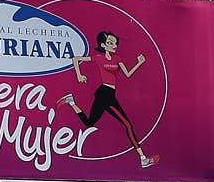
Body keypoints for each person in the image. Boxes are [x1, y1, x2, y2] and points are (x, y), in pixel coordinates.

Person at [60, 31, 160, 170]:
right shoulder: (99, 58)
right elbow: (75, 59)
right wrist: (79, 75)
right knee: (127, 125)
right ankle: (143, 158)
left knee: (89, 122)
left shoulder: (117, 58)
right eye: (110, 43)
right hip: (104, 94)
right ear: (103, 45)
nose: (114, 45)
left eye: (115, 43)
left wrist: (139, 63)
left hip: (109, 94)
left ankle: (71, 101)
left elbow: (128, 74)